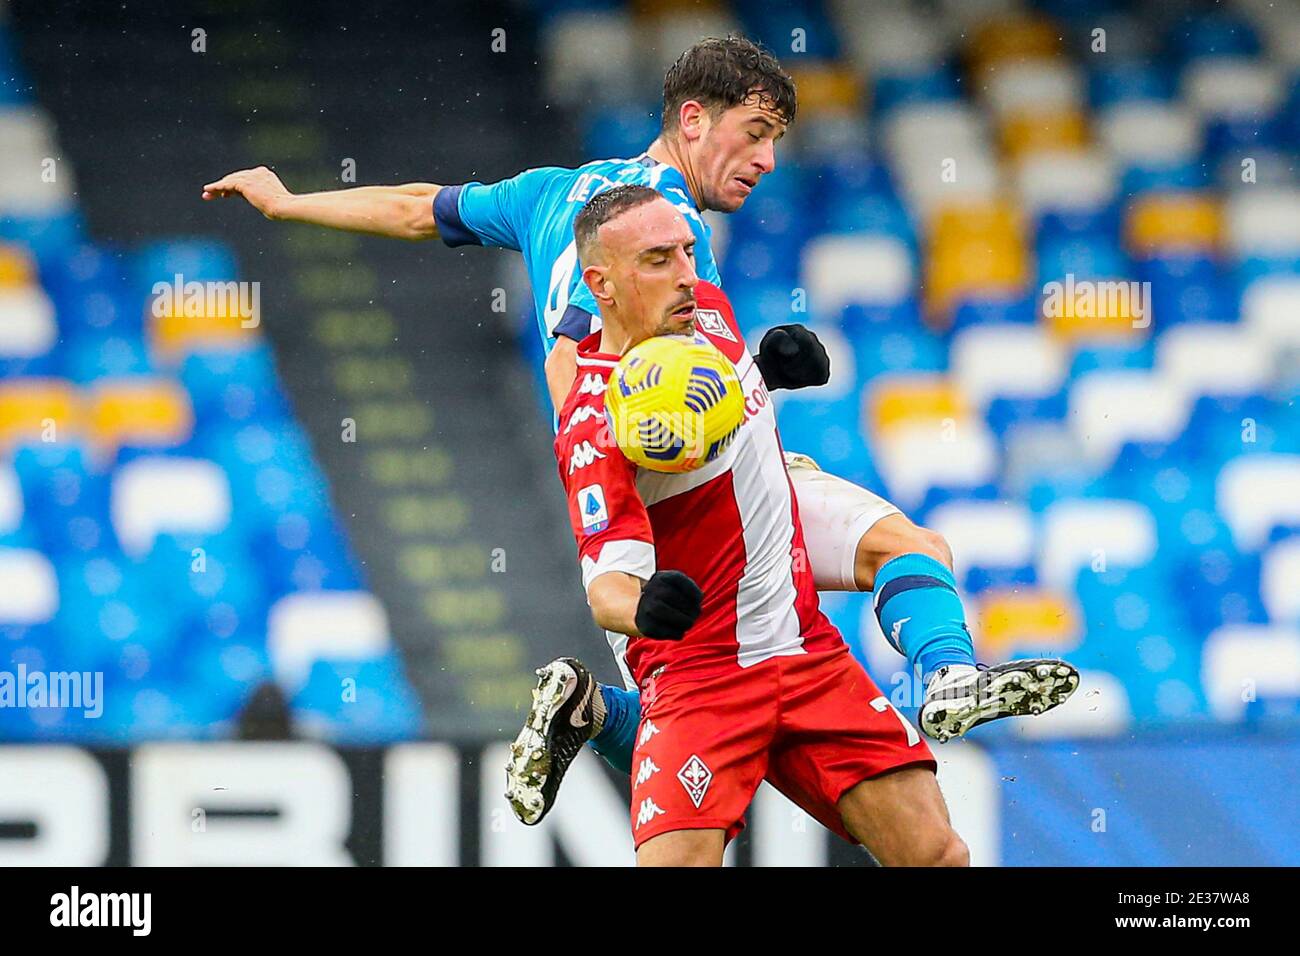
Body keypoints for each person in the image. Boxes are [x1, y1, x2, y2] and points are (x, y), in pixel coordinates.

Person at [201, 36, 1078, 829]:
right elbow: (606, 366)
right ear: (692, 120)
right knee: (882, 564)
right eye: (756, 131)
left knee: (731, 673)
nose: (768, 159)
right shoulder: (659, 221)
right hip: (681, 483)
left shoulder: (549, 194)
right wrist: (748, 391)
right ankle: (940, 677)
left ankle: (606, 711)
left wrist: (289, 203)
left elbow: (419, 207)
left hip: (648, 482)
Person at [549, 184, 985, 865]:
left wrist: (766, 368)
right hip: (702, 678)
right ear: (601, 284)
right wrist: (648, 608)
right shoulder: (595, 420)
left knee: (938, 857)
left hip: (805, 651)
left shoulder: (708, 316)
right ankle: (610, 715)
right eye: (659, 259)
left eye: (689, 253)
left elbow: (724, 410)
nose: (687, 275)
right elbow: (608, 590)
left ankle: (951, 673)